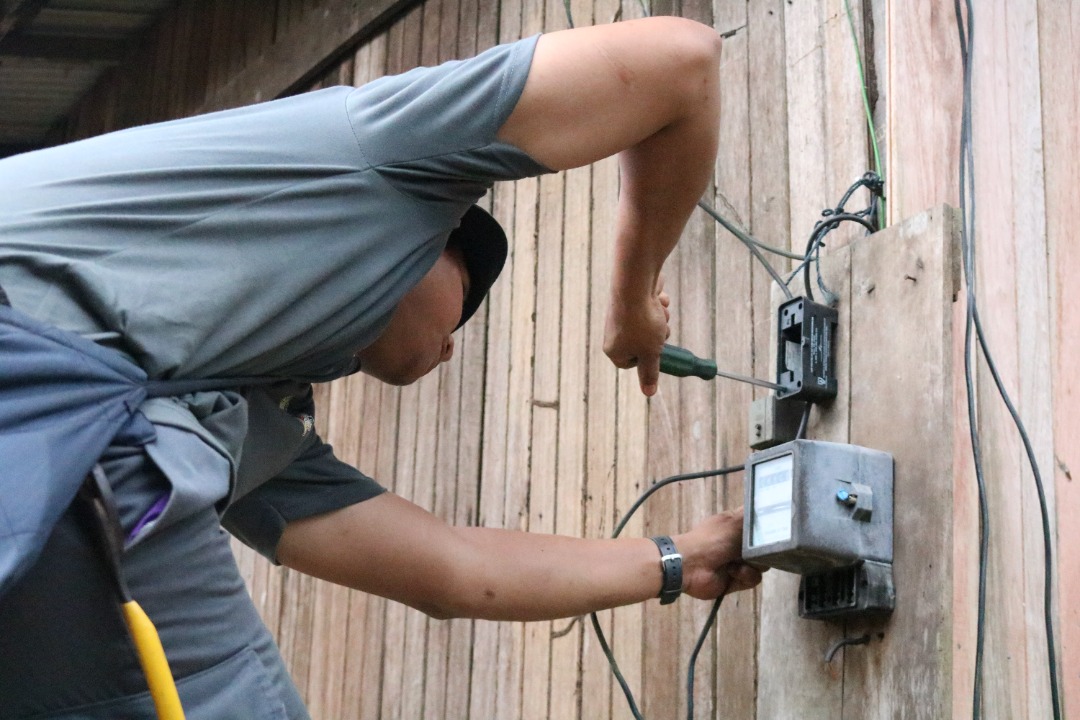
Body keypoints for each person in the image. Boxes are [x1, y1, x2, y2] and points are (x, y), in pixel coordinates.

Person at [0, 15, 762, 719]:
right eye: (466, 298)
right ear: (434, 237)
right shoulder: (381, 157)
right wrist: (634, 299)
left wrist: (677, 559)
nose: (454, 344)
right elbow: (681, 62)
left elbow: (453, 571)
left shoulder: (253, 418)